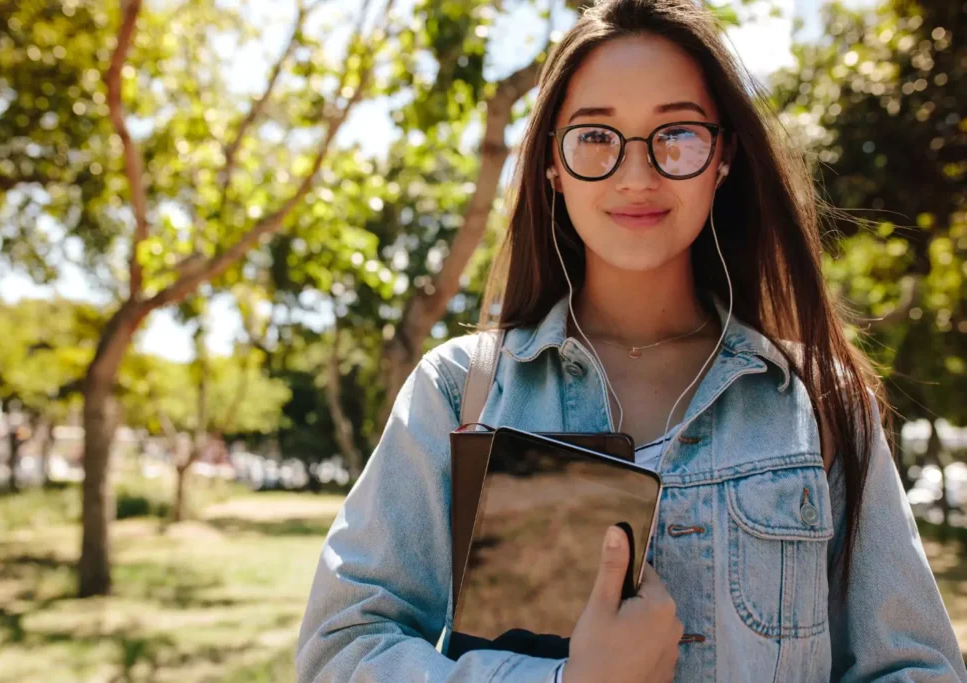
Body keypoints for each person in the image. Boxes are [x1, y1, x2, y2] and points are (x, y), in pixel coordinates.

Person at [296, 0, 967, 680]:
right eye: (595, 136)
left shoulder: (820, 400)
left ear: (724, 155)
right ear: (551, 164)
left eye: (675, 132)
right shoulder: (459, 389)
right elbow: (343, 646)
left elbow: (914, 667)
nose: (637, 173)